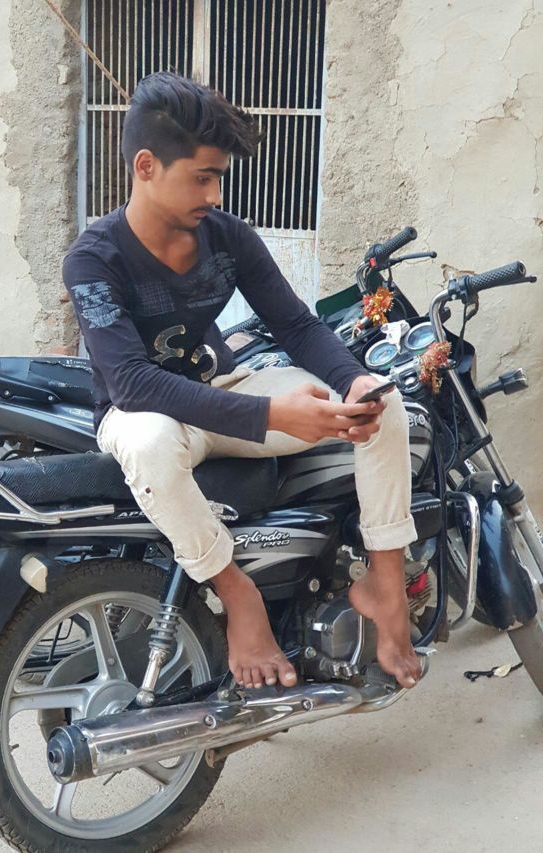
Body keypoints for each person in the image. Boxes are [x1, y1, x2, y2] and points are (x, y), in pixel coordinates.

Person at [63, 71, 421, 691]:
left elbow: (296, 325)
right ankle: (238, 596)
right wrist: (273, 416)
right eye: (201, 177)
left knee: (383, 405)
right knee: (148, 443)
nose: (215, 193)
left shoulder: (229, 239)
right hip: (142, 414)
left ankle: (385, 584)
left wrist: (353, 380)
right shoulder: (93, 259)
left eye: (220, 177)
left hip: (226, 389)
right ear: (146, 166)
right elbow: (130, 383)